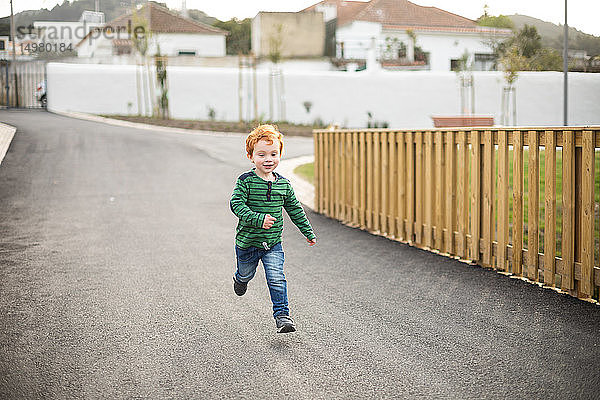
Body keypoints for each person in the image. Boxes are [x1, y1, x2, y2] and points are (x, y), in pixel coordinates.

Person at [230, 124, 316, 333]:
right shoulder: (246, 181)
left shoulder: (284, 185)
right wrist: (258, 219)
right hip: (248, 243)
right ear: (251, 156)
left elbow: (295, 209)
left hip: (273, 244)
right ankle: (240, 279)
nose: (268, 159)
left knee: (276, 277)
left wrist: (308, 232)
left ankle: (282, 316)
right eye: (261, 154)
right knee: (246, 274)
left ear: (280, 155)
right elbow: (236, 204)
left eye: (273, 154)